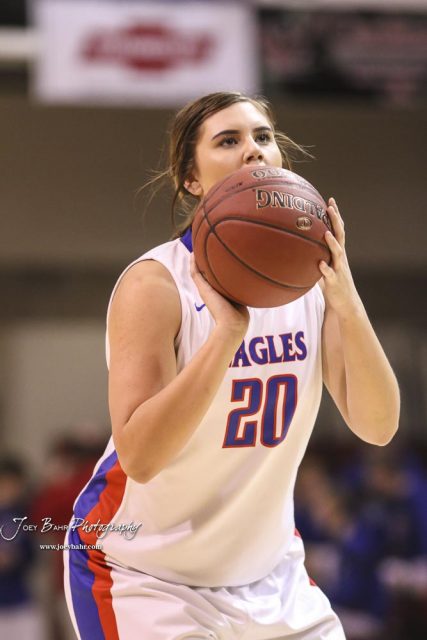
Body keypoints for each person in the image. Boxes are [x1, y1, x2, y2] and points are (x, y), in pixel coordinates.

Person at [64, 91, 400, 640]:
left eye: (263, 136)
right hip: (145, 576)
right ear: (191, 179)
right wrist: (226, 335)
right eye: (228, 140)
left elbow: (378, 425)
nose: (254, 150)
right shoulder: (155, 285)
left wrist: (347, 298)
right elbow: (141, 458)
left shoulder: (313, 284)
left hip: (270, 576)